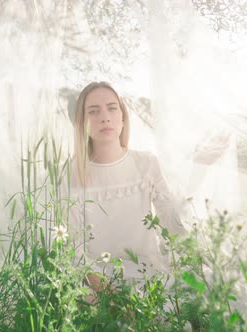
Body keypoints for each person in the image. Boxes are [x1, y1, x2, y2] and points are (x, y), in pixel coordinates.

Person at [66, 82, 186, 294]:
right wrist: (111, 296)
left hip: (150, 275)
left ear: (123, 117)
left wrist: (189, 261)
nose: (105, 117)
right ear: (81, 122)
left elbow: (172, 220)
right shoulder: (70, 175)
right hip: (100, 281)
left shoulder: (146, 163)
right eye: (93, 111)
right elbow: (76, 253)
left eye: (112, 108)